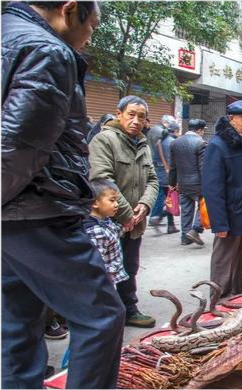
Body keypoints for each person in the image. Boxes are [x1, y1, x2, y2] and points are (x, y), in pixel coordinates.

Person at [0, 1, 125, 389]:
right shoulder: (46, 50)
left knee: (15, 322)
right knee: (101, 315)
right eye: (93, 24)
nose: (91, 36)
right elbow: (18, 146)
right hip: (34, 209)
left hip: (12, 212)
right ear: (70, 10)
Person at [89, 95, 159, 328]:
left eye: (141, 116)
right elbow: (102, 179)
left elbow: (153, 179)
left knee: (129, 266)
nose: (136, 120)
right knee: (105, 269)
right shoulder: (104, 140)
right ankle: (104, 315)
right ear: (119, 114)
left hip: (135, 221)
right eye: (131, 114)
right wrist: (126, 213)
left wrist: (145, 205)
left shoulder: (143, 143)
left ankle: (129, 308)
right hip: (108, 222)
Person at [202, 101, 242, 296]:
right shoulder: (217, 147)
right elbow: (212, 189)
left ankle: (237, 294)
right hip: (229, 215)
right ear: (231, 119)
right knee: (224, 260)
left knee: (241, 260)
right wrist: (219, 223)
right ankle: (218, 298)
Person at [83, 179, 129, 285]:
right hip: (104, 282)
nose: (117, 204)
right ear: (95, 203)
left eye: (116, 200)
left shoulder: (105, 220)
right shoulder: (96, 231)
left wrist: (126, 227)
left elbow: (114, 231)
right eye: (112, 200)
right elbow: (96, 263)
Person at [170, 118, 207, 245]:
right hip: (198, 184)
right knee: (204, 206)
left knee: (186, 209)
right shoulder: (201, 143)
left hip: (182, 183)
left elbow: (173, 166)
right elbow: (203, 167)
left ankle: (185, 237)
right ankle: (195, 229)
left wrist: (172, 183)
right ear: (200, 130)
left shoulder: (175, 143)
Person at [149, 124, 179, 234]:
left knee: (165, 198)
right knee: (172, 199)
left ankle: (170, 225)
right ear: (175, 131)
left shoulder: (159, 142)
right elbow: (171, 161)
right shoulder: (171, 142)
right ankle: (158, 216)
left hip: (159, 172)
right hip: (168, 175)